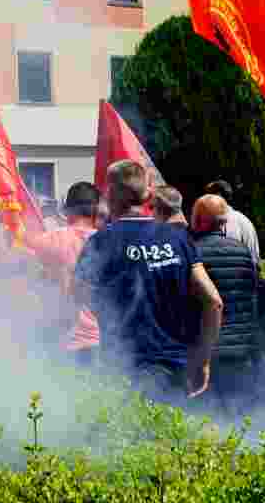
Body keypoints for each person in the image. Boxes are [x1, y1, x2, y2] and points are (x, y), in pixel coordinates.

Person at [75, 160, 224, 402]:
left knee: (129, 438)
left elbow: (79, 295)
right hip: (176, 368)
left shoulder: (101, 242)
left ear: (111, 193)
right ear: (146, 193)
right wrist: (203, 359)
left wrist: (112, 309)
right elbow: (214, 302)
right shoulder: (178, 238)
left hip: (124, 368)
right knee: (172, 439)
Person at [189, 194, 260, 417]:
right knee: (237, 415)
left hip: (206, 351)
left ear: (199, 220)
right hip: (241, 347)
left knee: (205, 417)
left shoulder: (192, 253)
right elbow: (252, 295)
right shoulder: (243, 251)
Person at [26, 182, 104, 367]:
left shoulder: (49, 240)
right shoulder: (107, 241)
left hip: (62, 338)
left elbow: (28, 276)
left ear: (67, 209)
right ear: (96, 210)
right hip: (102, 338)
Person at [204, 180, 260, 264]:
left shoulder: (206, 222)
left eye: (208, 196)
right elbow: (255, 260)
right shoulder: (244, 221)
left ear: (218, 196)